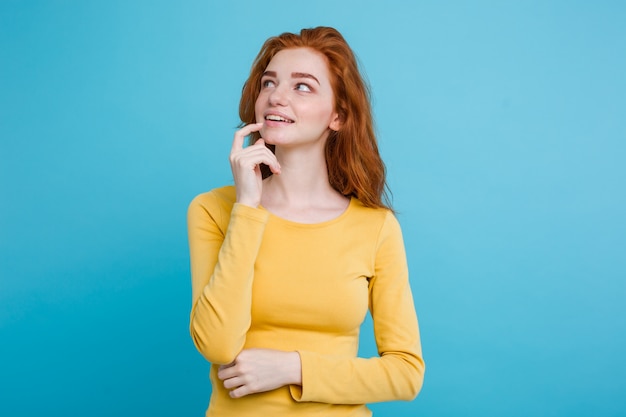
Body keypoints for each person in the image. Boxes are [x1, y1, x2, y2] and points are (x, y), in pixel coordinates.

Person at [187, 26, 425, 416]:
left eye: (302, 87)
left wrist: (293, 368)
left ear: (338, 116)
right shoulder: (213, 210)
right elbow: (217, 345)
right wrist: (247, 207)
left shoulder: (375, 227)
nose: (276, 97)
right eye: (269, 83)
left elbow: (406, 373)